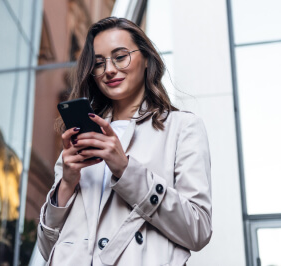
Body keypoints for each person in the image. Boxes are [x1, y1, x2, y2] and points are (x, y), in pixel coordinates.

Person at [37, 17, 212, 266]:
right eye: (99, 63)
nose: (109, 70)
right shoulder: (80, 138)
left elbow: (199, 230)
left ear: (147, 60)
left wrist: (126, 170)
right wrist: (66, 184)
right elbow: (46, 249)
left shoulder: (182, 128)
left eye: (120, 57)